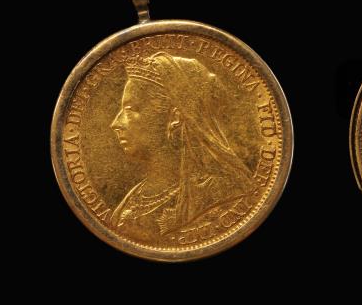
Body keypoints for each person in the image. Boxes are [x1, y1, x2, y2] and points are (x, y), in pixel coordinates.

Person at [108, 51, 254, 241]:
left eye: (130, 109)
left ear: (175, 117)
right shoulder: (135, 197)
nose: (115, 123)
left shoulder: (222, 194)